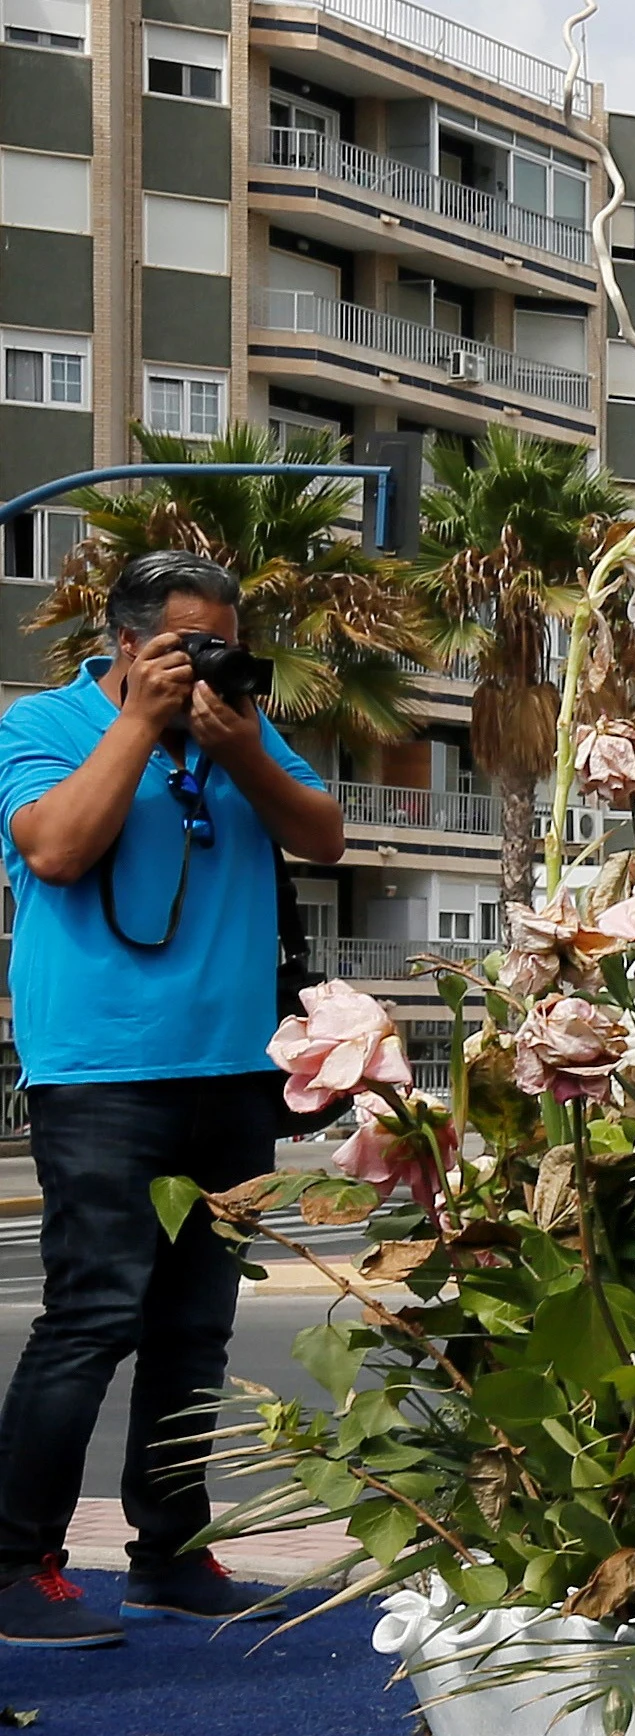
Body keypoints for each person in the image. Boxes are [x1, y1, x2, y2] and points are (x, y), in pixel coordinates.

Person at [0, 550, 346, 1644]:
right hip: (102, 1073)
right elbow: (54, 850)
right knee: (95, 1315)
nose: (206, 665)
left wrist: (243, 750)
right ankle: (15, 1564)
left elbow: (323, 835)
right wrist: (140, 727)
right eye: (184, 644)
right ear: (122, 642)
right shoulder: (45, 725)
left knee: (196, 1328)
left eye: (221, 645)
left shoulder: (240, 728)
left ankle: (171, 1556)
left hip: (234, 1071)